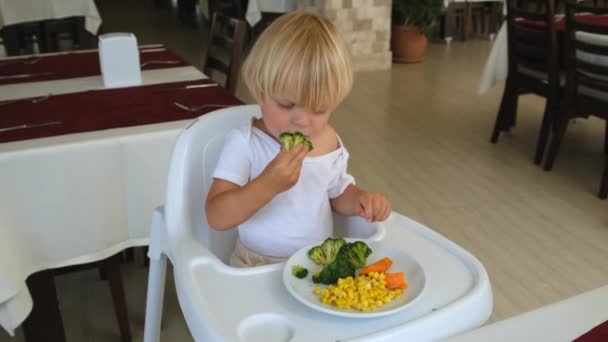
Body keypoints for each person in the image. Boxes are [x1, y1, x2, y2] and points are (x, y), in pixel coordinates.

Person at [205, 11, 391, 267]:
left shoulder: (328, 140)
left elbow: (337, 193)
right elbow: (216, 215)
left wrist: (360, 199)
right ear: (261, 93)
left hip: (317, 263)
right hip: (255, 264)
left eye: (319, 109)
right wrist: (267, 185)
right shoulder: (245, 144)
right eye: (287, 104)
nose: (303, 121)